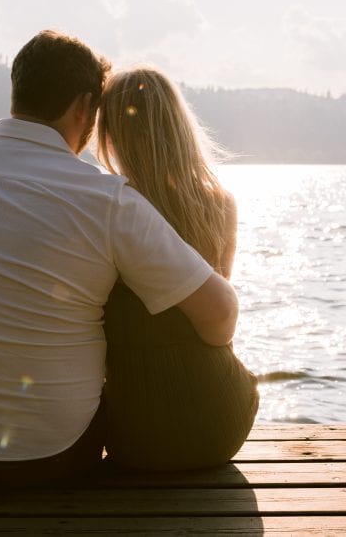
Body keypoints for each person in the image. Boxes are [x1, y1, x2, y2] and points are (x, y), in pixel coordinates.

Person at [0, 30, 240, 487]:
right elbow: (222, 311)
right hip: (55, 460)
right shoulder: (108, 200)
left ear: (17, 91)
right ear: (84, 108)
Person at [96, 66, 259, 471]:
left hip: (137, 430)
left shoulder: (110, 209)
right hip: (225, 419)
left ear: (111, 135)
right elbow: (216, 324)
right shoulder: (219, 204)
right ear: (178, 124)